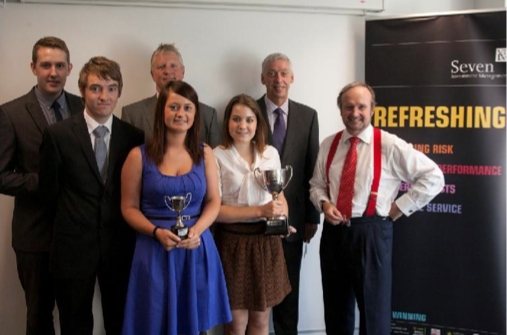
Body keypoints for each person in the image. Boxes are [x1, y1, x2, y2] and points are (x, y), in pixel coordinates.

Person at [309, 81, 445, 335]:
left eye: (361, 106)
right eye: (349, 107)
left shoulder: (389, 145)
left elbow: (434, 177)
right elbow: (316, 185)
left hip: (371, 234)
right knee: (336, 312)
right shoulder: (330, 144)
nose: (355, 112)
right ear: (341, 110)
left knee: (375, 315)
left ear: (372, 109)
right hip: (334, 235)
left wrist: (400, 207)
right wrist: (324, 204)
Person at [38, 56, 145, 335]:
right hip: (73, 248)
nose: (104, 96)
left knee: (120, 322)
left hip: (120, 248)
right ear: (83, 90)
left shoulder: (133, 136)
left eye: (111, 88)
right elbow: (49, 195)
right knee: (75, 324)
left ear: (119, 91)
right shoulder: (58, 135)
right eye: (96, 88)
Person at [120, 80, 231, 335]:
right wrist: (156, 232)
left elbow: (214, 201)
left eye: (188, 108)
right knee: (155, 324)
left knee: (195, 327)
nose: (181, 113)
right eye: (174, 107)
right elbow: (128, 208)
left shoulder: (205, 154)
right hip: (154, 251)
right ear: (161, 111)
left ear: (195, 114)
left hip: (196, 249)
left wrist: (197, 231)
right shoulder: (138, 156)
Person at [0, 36, 83, 335]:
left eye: (60, 65)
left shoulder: (83, 106)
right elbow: (1, 174)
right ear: (33, 67)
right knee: (38, 318)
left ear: (70, 68)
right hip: (34, 237)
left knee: (76, 316)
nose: (53, 72)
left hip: (77, 236)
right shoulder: (11, 113)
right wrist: (42, 182)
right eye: (46, 65)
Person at [214, 94, 294, 335]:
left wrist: (283, 220)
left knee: (260, 323)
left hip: (266, 242)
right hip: (233, 245)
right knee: (235, 325)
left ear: (257, 123)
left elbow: (279, 196)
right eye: (236, 119)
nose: (243, 126)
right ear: (227, 122)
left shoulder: (270, 153)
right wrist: (261, 210)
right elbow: (215, 211)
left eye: (249, 120)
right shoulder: (217, 155)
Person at [256, 52, 320, 335]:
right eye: (271, 73)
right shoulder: (248, 111)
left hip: (294, 220)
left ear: (292, 78)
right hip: (254, 219)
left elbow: (312, 170)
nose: (278, 79)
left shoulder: (308, 115)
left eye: (283, 73)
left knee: (289, 291)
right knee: (256, 293)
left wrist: (312, 218)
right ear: (262, 78)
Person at [122, 43, 220, 146]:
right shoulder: (132, 115)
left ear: (183, 71)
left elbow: (215, 159)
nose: (167, 71)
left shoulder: (208, 115)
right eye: (161, 67)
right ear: (152, 74)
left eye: (173, 66)